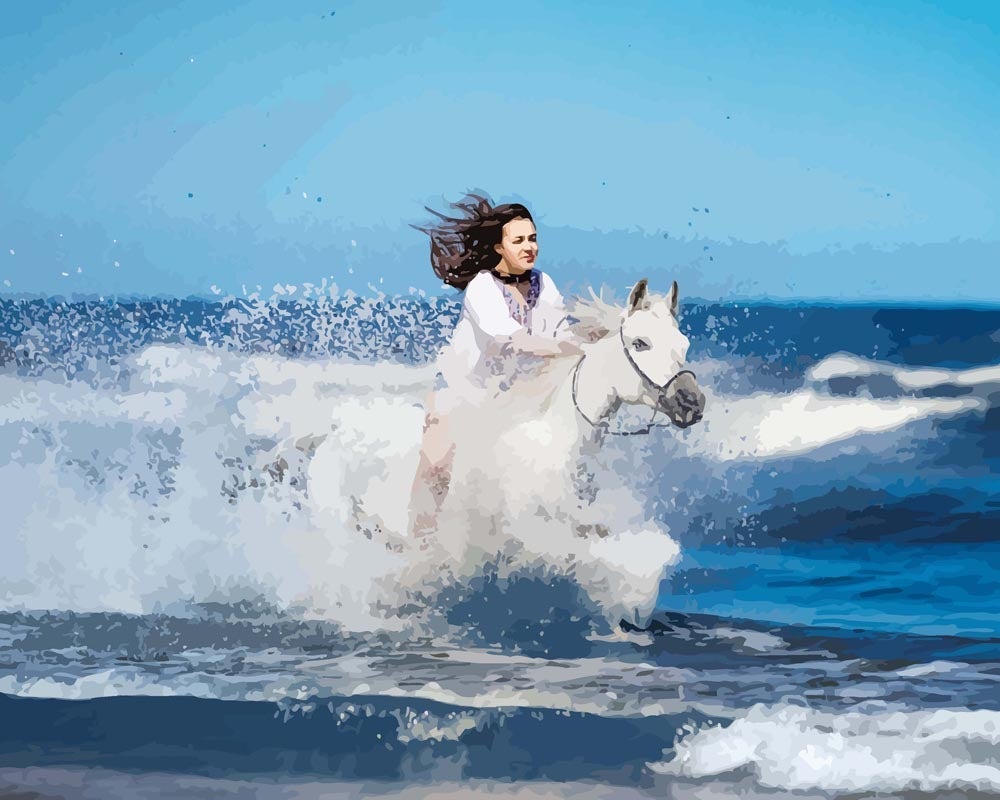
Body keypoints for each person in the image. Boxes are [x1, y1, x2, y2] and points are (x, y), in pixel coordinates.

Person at [408, 192, 579, 538]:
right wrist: (567, 348)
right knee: (439, 462)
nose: (529, 247)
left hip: (512, 395)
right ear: (499, 248)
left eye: (533, 239)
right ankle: (419, 537)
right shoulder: (481, 287)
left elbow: (563, 331)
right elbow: (512, 339)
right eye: (518, 240)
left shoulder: (544, 284)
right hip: (459, 391)